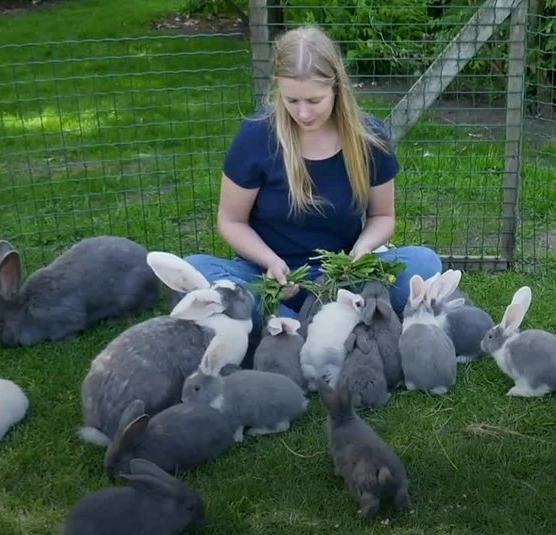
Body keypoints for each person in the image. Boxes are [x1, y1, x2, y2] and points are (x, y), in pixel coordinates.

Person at [181, 25, 442, 330]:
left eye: (314, 101)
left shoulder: (369, 138)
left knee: (424, 263)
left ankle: (285, 325)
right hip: (265, 275)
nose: (303, 113)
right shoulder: (256, 136)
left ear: (336, 88)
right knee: (193, 271)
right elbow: (231, 220)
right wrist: (270, 262)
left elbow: (383, 216)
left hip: (341, 276)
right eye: (291, 101)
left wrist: (363, 249)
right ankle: (321, 320)